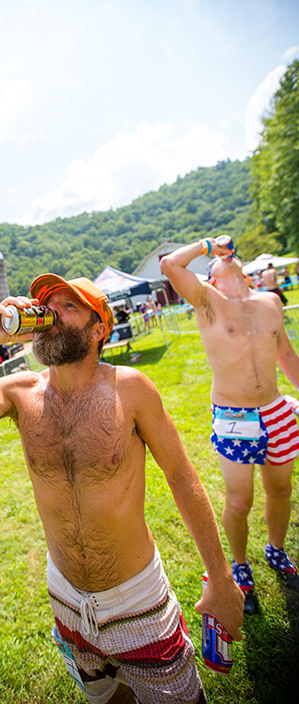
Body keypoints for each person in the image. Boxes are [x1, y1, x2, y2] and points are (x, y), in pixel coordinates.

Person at [0, 275, 243, 704]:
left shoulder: (131, 388)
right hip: (66, 597)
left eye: (68, 307)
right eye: (47, 305)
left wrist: (219, 577)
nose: (50, 315)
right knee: (106, 697)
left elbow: (181, 476)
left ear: (98, 328)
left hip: (135, 599)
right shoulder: (20, 392)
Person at [161, 238, 299, 616]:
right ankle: (240, 566)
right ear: (211, 281)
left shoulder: (270, 302)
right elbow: (171, 265)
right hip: (235, 419)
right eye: (216, 264)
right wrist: (209, 244)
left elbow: (286, 354)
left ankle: (277, 550)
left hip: (275, 410)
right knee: (240, 501)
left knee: (281, 489)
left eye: (231, 258)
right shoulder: (209, 303)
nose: (227, 260)